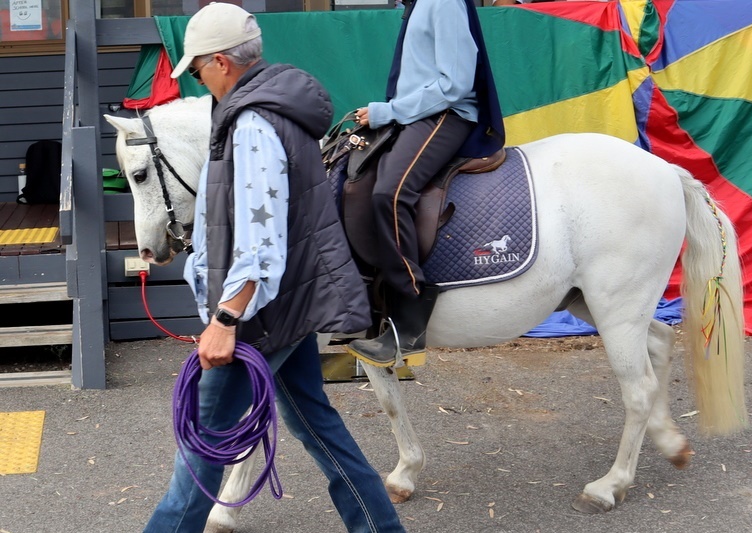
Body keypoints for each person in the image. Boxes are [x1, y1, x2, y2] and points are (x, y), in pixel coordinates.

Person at [143, 4, 405, 532]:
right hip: (287, 305)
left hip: (258, 318)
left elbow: (262, 238)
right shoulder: (275, 108)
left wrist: (226, 319)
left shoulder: (252, 122)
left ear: (222, 62)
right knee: (318, 427)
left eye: (197, 71)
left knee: (201, 450)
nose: (198, 82)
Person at [347, 0, 505, 368]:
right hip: (418, 115)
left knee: (390, 192)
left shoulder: (443, 2)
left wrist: (389, 112)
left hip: (446, 116)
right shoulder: (416, 4)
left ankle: (409, 313)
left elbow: (456, 84)